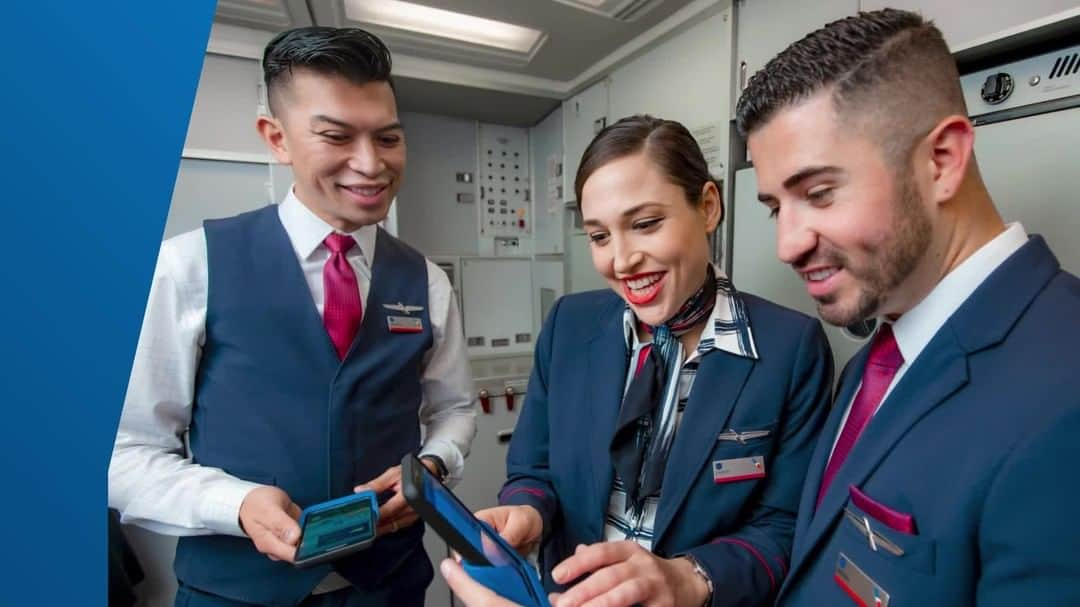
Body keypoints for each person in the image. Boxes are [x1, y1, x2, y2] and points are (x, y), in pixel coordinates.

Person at [108, 26, 477, 607]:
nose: (370, 163)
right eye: (336, 136)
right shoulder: (189, 266)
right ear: (276, 138)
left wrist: (432, 464)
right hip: (234, 592)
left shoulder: (426, 280)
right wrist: (234, 504)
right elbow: (127, 454)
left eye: (388, 138)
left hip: (389, 587)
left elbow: (453, 409)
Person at [734, 8, 1080, 607]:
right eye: (774, 206)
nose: (787, 244)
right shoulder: (879, 356)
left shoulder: (1065, 397)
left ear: (942, 159)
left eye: (819, 193)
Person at [447, 115, 834, 607]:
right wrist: (528, 514)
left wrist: (688, 578)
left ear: (709, 206)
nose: (622, 261)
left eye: (645, 224)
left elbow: (784, 525)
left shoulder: (790, 347)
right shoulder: (570, 324)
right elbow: (534, 469)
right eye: (599, 236)